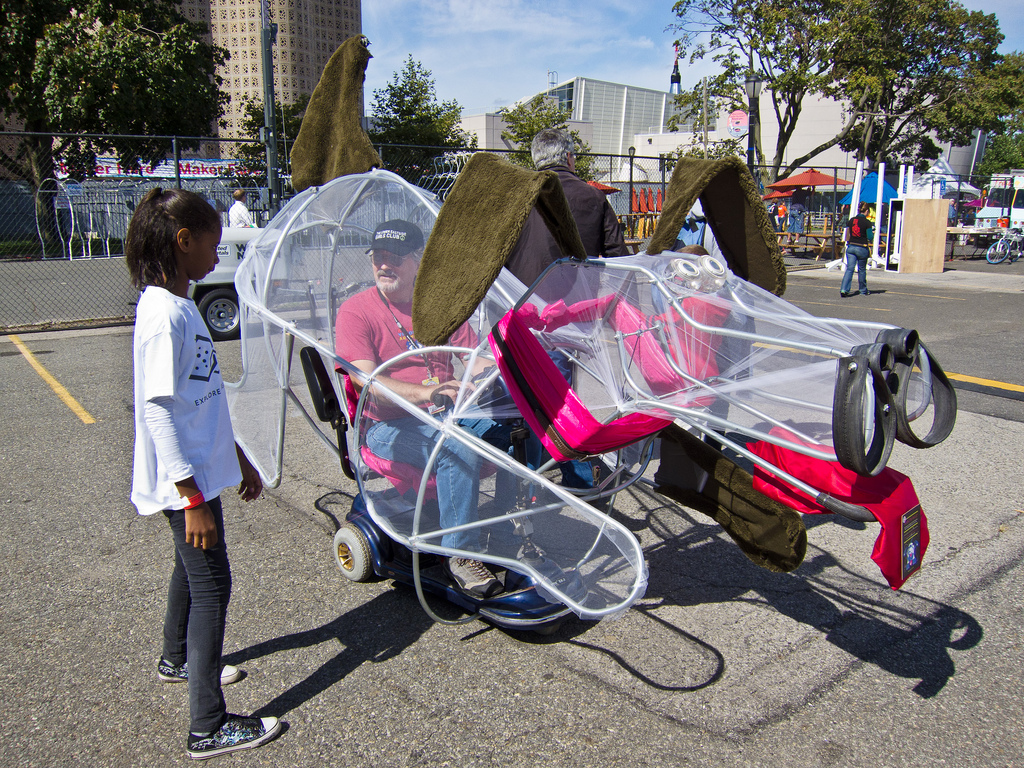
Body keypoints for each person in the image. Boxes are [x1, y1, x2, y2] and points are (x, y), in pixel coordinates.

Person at [126, 188, 281, 760]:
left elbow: (202, 396)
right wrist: (190, 496)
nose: (219, 254)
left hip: (199, 474)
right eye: (213, 244)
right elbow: (158, 410)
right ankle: (208, 726)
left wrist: (237, 456)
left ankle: (177, 659)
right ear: (183, 240)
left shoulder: (181, 305)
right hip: (184, 483)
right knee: (213, 585)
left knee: (189, 571)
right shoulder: (163, 315)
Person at [335, 220, 516, 598]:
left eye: (395, 257)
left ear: (420, 260)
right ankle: (460, 555)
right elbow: (365, 382)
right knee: (455, 447)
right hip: (388, 426)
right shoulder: (356, 311)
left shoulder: (440, 306)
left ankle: (503, 533)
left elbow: (474, 359)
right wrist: (427, 393)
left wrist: (501, 373)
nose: (384, 265)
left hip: (446, 415)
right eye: (378, 257)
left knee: (518, 432)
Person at [506, 128, 627, 490]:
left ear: (536, 160)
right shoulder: (592, 196)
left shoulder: (517, 196)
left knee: (526, 392)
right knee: (558, 396)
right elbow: (619, 259)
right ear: (570, 158)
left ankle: (532, 472)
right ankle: (565, 475)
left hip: (519, 309)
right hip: (570, 314)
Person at [840, 202, 874, 297]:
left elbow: (847, 233)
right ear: (867, 211)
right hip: (862, 247)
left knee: (850, 269)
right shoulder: (867, 222)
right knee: (861, 269)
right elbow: (870, 237)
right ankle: (863, 290)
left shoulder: (851, 220)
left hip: (851, 246)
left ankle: (844, 289)